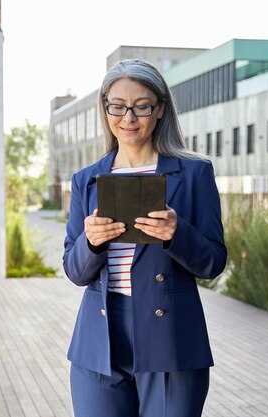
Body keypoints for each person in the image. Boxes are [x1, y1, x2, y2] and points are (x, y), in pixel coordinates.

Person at [63, 59, 227, 417]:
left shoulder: (194, 172)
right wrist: (90, 243)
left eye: (141, 106)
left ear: (160, 109)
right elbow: (75, 272)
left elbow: (213, 262)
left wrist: (176, 233)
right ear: (105, 108)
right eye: (118, 106)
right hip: (100, 339)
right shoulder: (86, 180)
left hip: (170, 338)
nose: (129, 118)